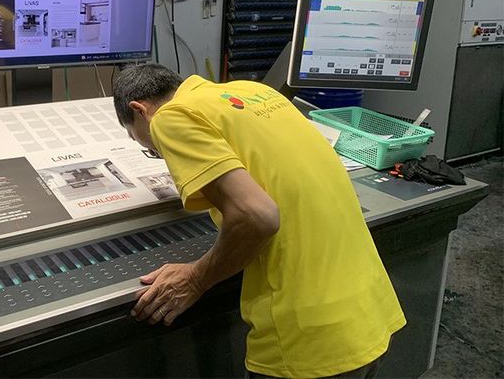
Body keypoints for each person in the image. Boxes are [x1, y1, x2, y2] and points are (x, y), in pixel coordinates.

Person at [112, 64, 405, 378]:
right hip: (369, 313)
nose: (156, 149)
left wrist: (196, 279)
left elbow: (257, 216)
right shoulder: (255, 92)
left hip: (309, 340)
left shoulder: (169, 117)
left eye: (146, 145)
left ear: (140, 110)